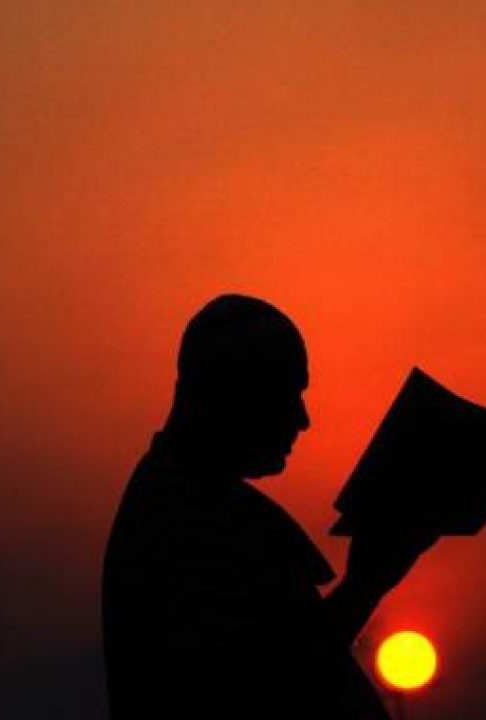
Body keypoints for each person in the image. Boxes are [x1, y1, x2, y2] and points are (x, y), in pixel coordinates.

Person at [102, 294, 436, 719]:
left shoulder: (193, 501)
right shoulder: (183, 518)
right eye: (287, 393)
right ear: (234, 392)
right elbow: (264, 684)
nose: (302, 419)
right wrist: (365, 584)